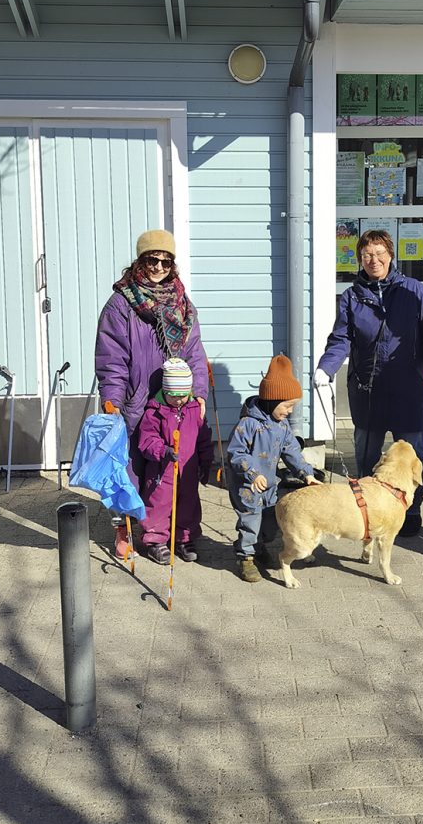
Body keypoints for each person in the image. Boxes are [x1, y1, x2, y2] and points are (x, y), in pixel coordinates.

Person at [315, 228, 423, 537]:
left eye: (378, 254)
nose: (373, 260)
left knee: (411, 459)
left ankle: (410, 512)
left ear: (390, 255)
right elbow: (341, 339)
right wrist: (326, 368)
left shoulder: (415, 290)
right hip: (368, 389)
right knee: (366, 457)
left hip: (408, 388)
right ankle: (366, 512)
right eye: (366, 255)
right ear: (360, 259)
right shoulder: (351, 296)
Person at [95, 229, 209, 559]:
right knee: (128, 468)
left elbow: (195, 353)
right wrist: (112, 398)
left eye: (165, 261)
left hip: (174, 402)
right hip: (136, 400)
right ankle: (125, 528)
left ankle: (167, 529)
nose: (158, 267)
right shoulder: (121, 305)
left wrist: (198, 393)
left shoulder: (183, 304)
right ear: (140, 261)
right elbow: (112, 357)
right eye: (151, 260)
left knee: (166, 473)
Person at [226, 354, 319, 583]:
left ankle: (258, 546)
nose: (290, 411)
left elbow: (291, 452)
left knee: (269, 524)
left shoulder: (282, 425)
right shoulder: (248, 424)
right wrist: (252, 474)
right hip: (247, 486)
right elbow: (235, 454)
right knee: (250, 521)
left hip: (269, 484)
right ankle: (245, 557)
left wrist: (305, 472)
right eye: (287, 406)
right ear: (272, 400)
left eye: (292, 406)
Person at [137, 358, 214, 564]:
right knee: (159, 503)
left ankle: (184, 537)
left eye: (183, 395)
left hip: (188, 468)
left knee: (188, 502)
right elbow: (147, 440)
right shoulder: (154, 413)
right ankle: (156, 539)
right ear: (165, 391)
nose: (179, 400)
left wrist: (206, 462)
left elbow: (203, 438)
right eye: (174, 396)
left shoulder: (194, 410)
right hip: (163, 470)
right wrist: (163, 451)